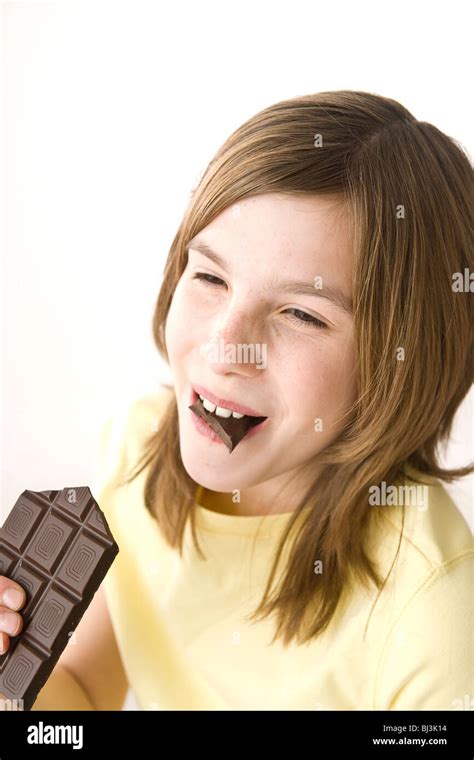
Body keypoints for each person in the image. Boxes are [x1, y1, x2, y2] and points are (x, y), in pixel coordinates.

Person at [1, 90, 472, 711]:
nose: (227, 347)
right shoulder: (137, 450)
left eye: (302, 314)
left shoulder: (432, 607)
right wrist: (14, 680)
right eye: (210, 277)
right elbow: (88, 693)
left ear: (401, 362)